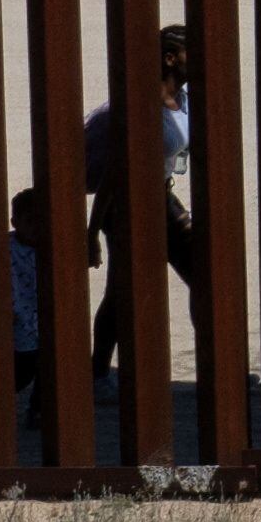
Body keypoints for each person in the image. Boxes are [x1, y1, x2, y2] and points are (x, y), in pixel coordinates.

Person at [88, 25, 200, 401]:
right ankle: (97, 374)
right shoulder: (142, 107)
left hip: (160, 198)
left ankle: (219, 367)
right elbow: (113, 174)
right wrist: (93, 231)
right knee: (122, 293)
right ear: (170, 58)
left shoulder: (183, 100)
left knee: (206, 276)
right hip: (124, 205)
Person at [9, 186, 53, 428]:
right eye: (30, 222)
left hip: (44, 319)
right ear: (15, 222)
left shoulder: (52, 248)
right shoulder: (7, 247)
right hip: (20, 319)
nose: (37, 228)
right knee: (24, 369)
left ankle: (38, 410)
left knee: (48, 367)